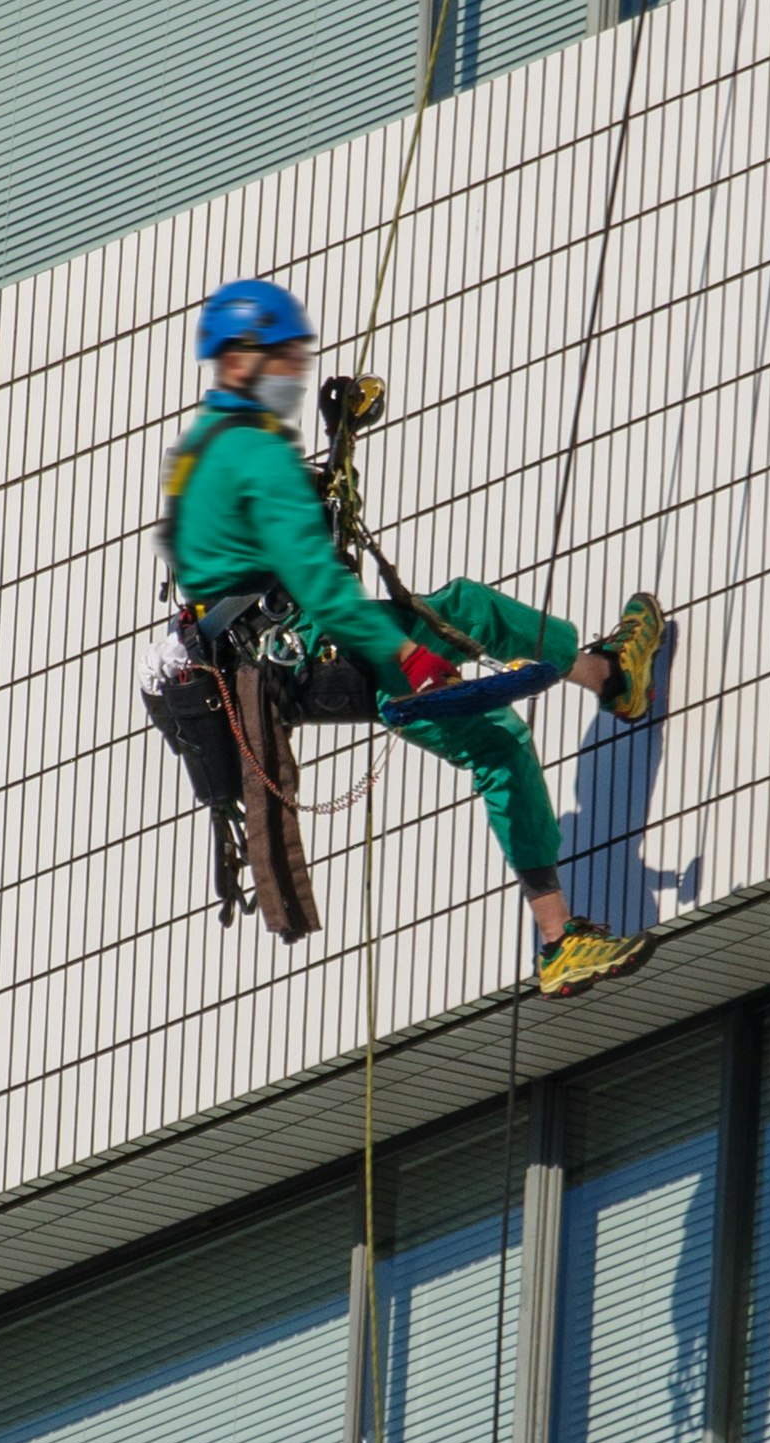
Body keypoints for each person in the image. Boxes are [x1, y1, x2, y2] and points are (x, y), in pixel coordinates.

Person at [154, 277, 667, 998]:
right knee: (466, 609)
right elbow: (317, 578)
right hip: (314, 655)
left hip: (288, 668)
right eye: (282, 360)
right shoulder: (243, 453)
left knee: (499, 745)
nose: (291, 375)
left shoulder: (213, 451)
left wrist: (342, 441)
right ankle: (611, 676)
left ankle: (558, 943)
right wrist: (409, 656)